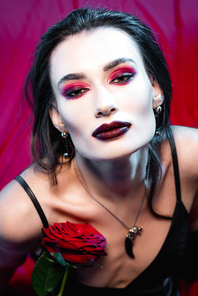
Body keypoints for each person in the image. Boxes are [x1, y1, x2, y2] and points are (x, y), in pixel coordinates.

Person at [0, 7, 198, 296]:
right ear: (57, 116)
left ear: (155, 88)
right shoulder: (18, 211)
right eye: (76, 91)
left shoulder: (191, 159)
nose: (104, 105)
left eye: (121, 77)